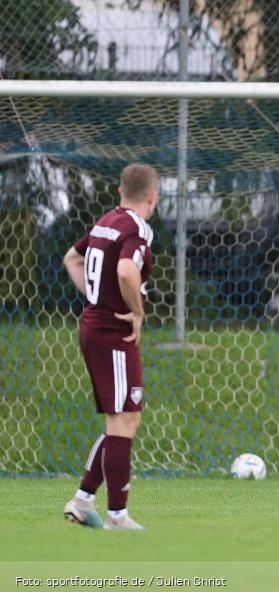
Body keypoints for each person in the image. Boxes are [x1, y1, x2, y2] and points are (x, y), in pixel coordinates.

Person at [62, 163, 159, 531]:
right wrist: (136, 312)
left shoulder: (106, 221)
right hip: (114, 333)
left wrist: (94, 298)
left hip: (95, 327)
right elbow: (125, 271)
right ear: (152, 196)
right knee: (125, 420)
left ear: (121, 191)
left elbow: (71, 258)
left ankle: (83, 500)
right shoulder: (137, 228)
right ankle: (117, 516)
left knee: (120, 419)